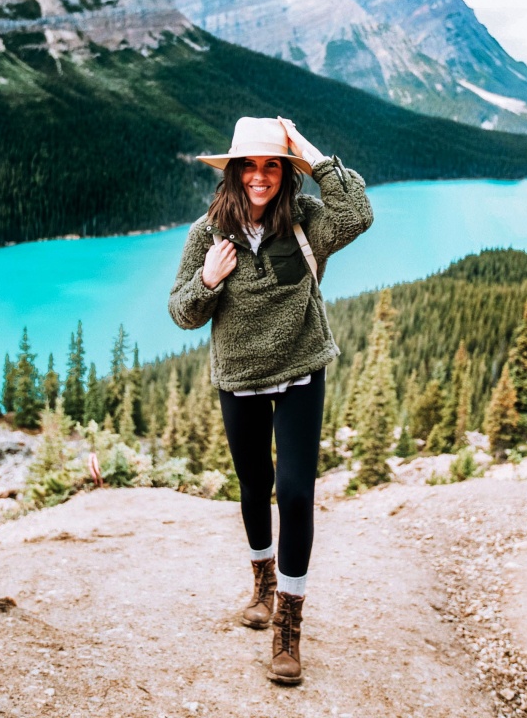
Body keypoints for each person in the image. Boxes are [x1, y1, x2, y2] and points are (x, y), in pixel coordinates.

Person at [168, 116, 373, 684]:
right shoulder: (204, 236)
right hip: (239, 378)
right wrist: (207, 279)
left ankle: (288, 624)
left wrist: (309, 151)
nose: (261, 177)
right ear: (234, 172)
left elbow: (358, 212)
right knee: (256, 487)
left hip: (302, 368)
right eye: (251, 165)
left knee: (297, 494)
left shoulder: (307, 221)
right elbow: (182, 313)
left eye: (273, 165)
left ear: (286, 172)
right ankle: (262, 583)